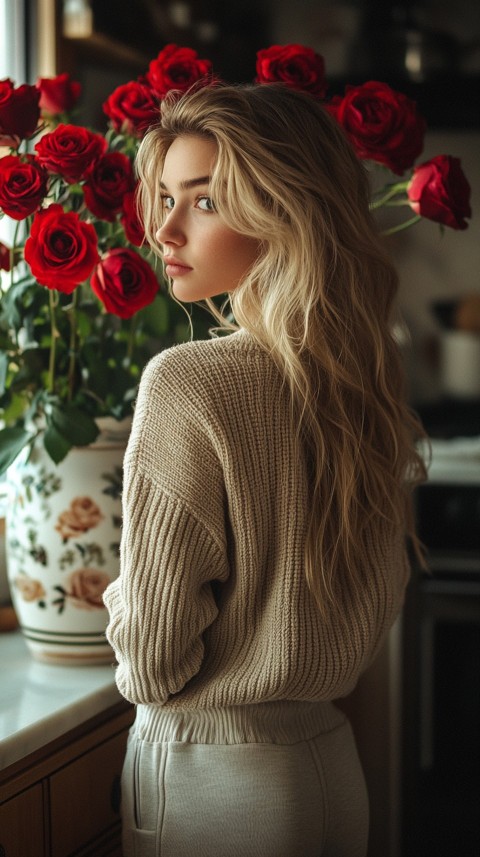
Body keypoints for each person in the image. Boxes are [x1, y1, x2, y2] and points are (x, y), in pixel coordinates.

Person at [103, 81, 427, 857]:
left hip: (210, 787)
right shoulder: (363, 386)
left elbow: (152, 663)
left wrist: (122, 589)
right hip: (328, 770)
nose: (166, 229)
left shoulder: (187, 381)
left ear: (283, 215)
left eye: (205, 201)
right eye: (167, 198)